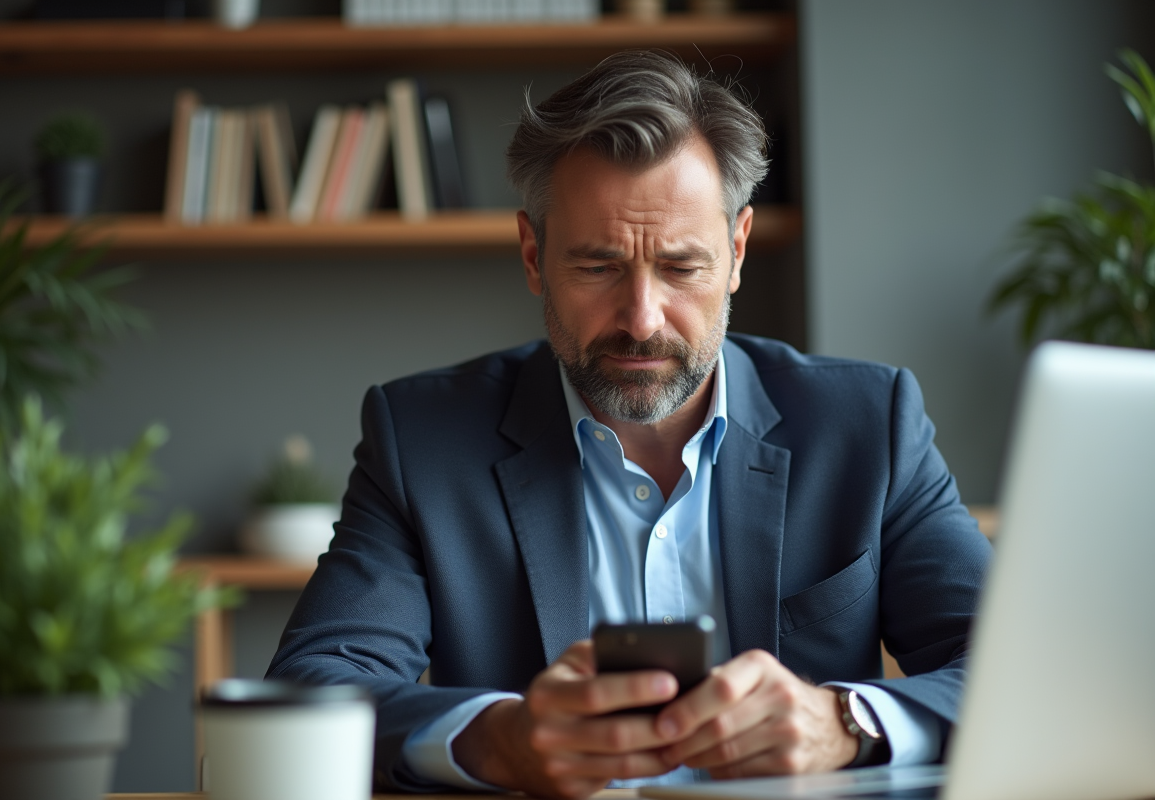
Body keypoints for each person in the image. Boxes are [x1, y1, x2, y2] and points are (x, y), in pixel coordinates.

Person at [267, 51, 992, 800]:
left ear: (737, 250)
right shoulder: (421, 439)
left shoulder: (869, 425)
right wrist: (497, 740)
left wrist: (841, 723)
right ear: (532, 254)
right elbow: (312, 688)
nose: (642, 320)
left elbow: (1017, 666)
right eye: (597, 267)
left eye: (682, 268)